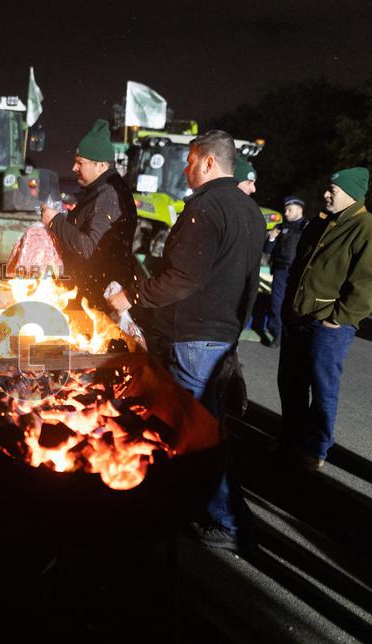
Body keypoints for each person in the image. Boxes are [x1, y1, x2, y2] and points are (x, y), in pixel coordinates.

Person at [106, 130, 266, 553]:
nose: (185, 169)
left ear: (210, 162)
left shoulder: (206, 208)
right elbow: (250, 284)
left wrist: (132, 296)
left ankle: (226, 522)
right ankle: (221, 514)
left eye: (191, 161)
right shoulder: (250, 212)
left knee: (195, 435)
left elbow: (183, 278)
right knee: (207, 432)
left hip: (195, 339)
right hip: (220, 337)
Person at [277, 167, 372, 470]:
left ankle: (316, 449)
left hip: (328, 326)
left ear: (351, 194)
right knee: (291, 383)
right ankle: (290, 440)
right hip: (299, 318)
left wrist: (338, 318)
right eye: (328, 188)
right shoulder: (322, 221)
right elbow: (300, 266)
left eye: (333, 190)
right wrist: (289, 307)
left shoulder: (366, 227)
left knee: (322, 388)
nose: (326, 194)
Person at [42, 118, 138, 309]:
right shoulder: (100, 191)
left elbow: (89, 248)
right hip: (88, 293)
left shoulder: (108, 195)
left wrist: (55, 221)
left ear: (101, 165)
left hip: (96, 301)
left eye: (80, 163)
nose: (73, 168)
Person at [261, 195, 308, 347]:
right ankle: (278, 334)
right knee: (276, 303)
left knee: (294, 306)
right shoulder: (280, 227)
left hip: (298, 272)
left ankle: (294, 336)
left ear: (299, 209)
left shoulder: (307, 227)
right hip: (280, 270)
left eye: (290, 209)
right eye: (285, 209)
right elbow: (267, 250)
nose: (286, 213)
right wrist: (271, 238)